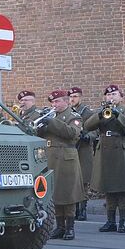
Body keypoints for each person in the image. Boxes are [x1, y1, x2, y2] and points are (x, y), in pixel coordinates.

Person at [85, 85, 125, 233]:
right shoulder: (100, 111)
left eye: (114, 94)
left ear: (121, 97)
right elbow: (87, 126)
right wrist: (99, 115)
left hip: (121, 149)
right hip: (105, 151)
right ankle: (110, 221)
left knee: (121, 189)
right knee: (108, 188)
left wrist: (117, 115)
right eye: (108, 95)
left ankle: (123, 221)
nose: (111, 97)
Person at [35, 89, 86, 240]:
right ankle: (59, 227)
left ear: (66, 101)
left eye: (57, 101)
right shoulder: (52, 117)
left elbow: (72, 133)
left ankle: (70, 227)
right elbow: (40, 135)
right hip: (50, 158)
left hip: (66, 159)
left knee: (67, 194)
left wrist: (52, 122)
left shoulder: (73, 116)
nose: (54, 105)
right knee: (54, 193)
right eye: (52, 102)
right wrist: (41, 124)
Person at [68, 87, 94, 221]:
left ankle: (83, 209)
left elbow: (95, 130)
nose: (72, 99)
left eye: (75, 96)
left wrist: (88, 136)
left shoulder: (87, 112)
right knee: (73, 181)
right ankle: (75, 208)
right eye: (71, 96)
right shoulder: (68, 113)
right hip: (71, 149)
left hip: (83, 150)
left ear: (81, 97)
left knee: (83, 182)